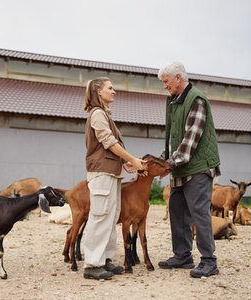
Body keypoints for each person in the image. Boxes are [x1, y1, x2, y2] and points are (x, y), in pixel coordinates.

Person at [157, 62, 221, 278]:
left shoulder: (196, 100)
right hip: (180, 168)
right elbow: (173, 139)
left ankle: (209, 261)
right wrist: (161, 161)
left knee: (199, 214)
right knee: (177, 212)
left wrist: (168, 164)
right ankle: (183, 255)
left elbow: (189, 141)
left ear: (177, 77)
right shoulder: (173, 102)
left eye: (166, 81)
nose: (164, 86)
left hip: (198, 168)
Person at [83, 77, 147, 280]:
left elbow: (109, 148)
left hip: (111, 173)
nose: (114, 91)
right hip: (101, 174)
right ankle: (92, 264)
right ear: (98, 92)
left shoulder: (104, 114)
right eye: (110, 88)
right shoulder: (97, 114)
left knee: (111, 217)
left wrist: (122, 163)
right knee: (100, 217)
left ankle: (105, 260)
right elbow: (109, 142)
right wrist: (132, 159)